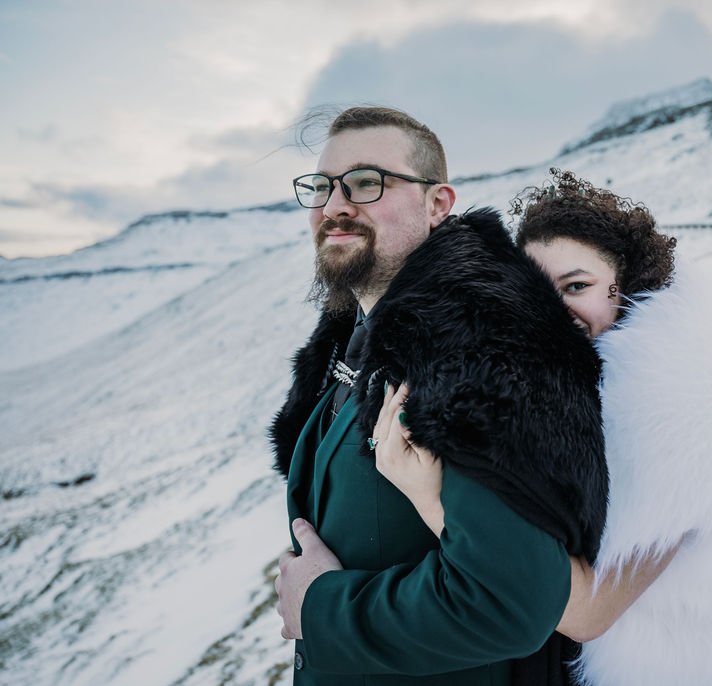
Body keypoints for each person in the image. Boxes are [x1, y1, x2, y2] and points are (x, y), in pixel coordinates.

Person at [375, 170, 712, 685]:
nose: (553, 312)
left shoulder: (678, 411)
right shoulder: (572, 391)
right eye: (537, 292)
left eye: (577, 286)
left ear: (629, 290)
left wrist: (432, 501)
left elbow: (587, 611)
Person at [269, 111, 608, 686]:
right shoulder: (359, 340)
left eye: (366, 182)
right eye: (322, 186)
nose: (335, 206)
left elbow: (507, 603)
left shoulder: (479, 349)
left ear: (437, 204)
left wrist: (323, 608)